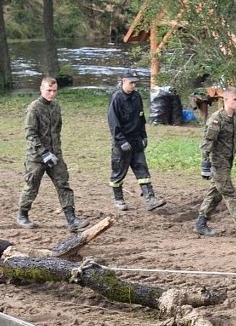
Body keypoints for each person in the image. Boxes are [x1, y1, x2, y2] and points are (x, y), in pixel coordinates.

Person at [16, 76, 89, 233]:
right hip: (36, 157)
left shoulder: (56, 108)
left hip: (55, 155)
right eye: (49, 90)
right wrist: (43, 152)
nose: (52, 94)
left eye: (54, 91)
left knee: (63, 184)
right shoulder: (34, 108)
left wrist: (55, 152)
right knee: (32, 185)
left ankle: (72, 219)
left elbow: (57, 131)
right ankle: (22, 214)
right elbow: (30, 134)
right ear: (41, 89)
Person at [193, 86, 236, 241]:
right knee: (229, 193)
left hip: (228, 161)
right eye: (235, 99)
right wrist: (205, 164)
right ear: (225, 100)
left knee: (216, 193)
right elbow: (207, 142)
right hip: (217, 162)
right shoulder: (216, 119)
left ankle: (200, 223)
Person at [107, 69, 165, 211]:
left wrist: (144, 135)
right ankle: (118, 199)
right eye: (131, 83)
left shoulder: (137, 97)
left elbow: (140, 118)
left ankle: (150, 198)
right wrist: (121, 142)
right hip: (122, 143)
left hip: (136, 140)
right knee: (119, 171)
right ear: (123, 81)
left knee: (142, 170)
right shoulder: (117, 98)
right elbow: (114, 123)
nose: (133, 86)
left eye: (135, 83)